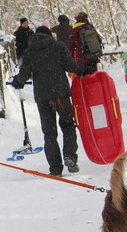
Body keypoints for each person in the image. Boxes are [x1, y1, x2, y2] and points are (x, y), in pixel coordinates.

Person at [10, 26, 83, 177]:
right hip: (61, 93)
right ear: (50, 35)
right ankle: (70, 156)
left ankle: (55, 168)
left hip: (43, 96)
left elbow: (24, 74)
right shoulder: (58, 47)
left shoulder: (30, 51)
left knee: (49, 132)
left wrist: (17, 81)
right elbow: (70, 66)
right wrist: (83, 69)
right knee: (68, 125)